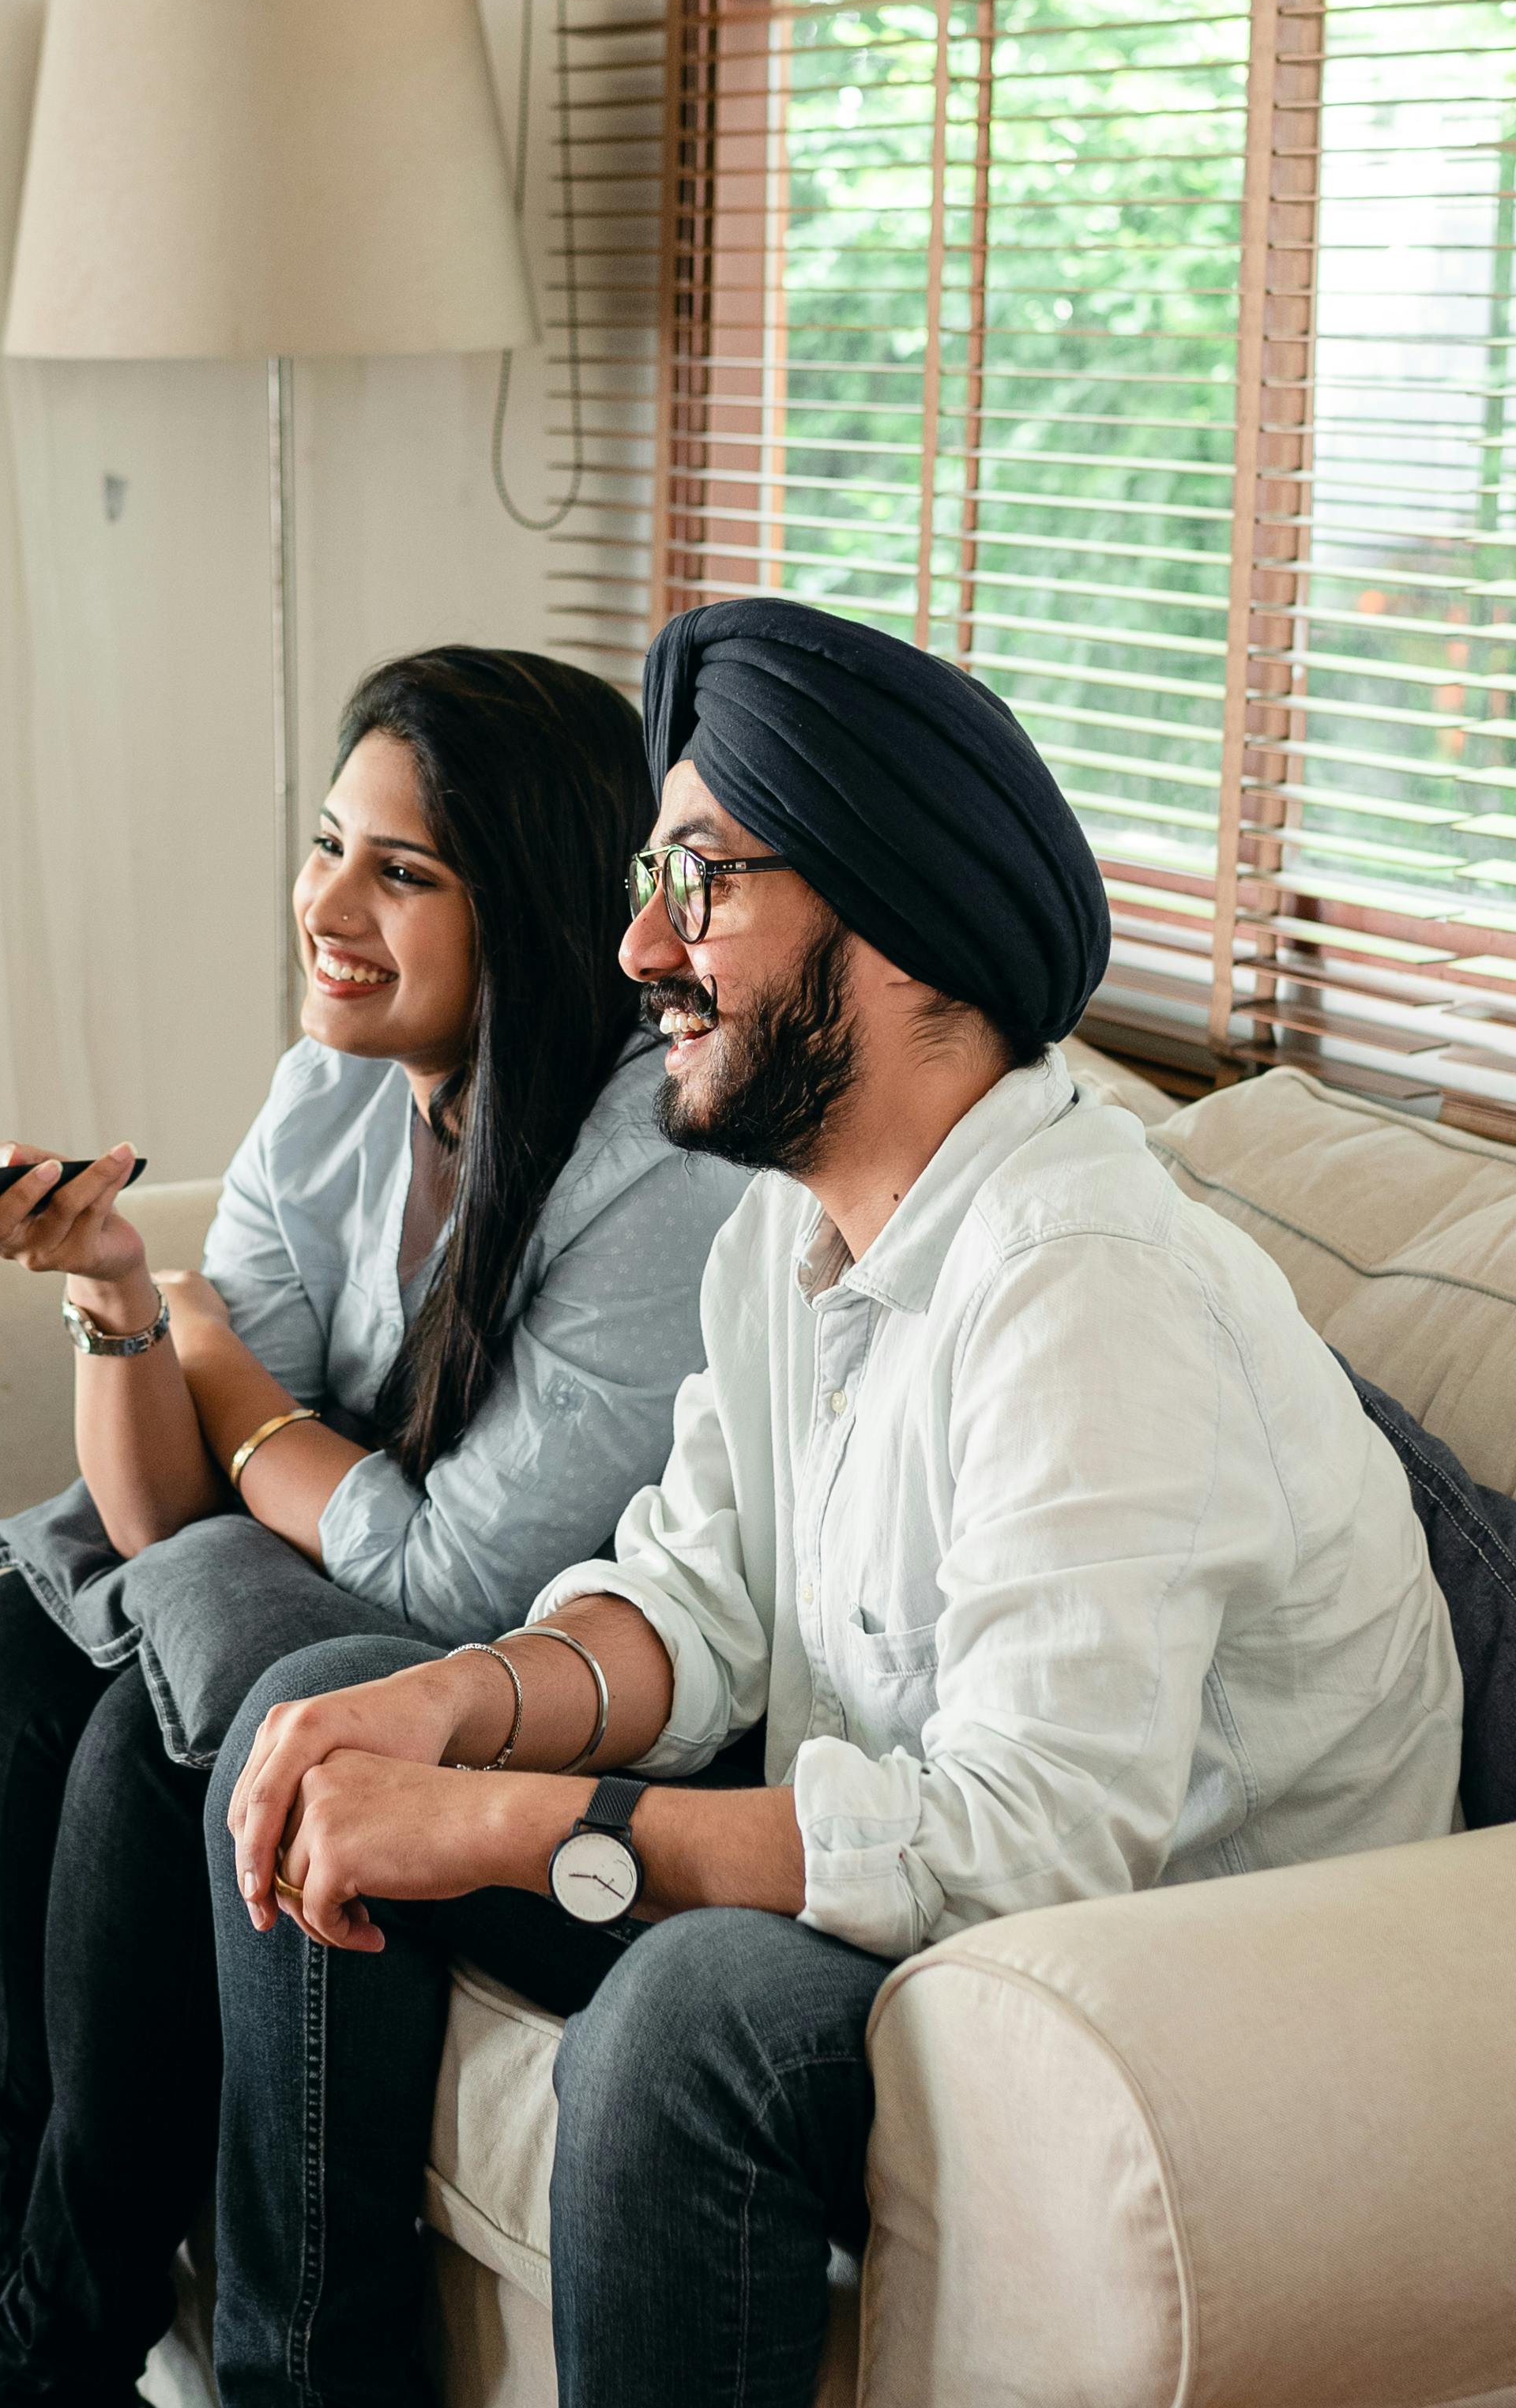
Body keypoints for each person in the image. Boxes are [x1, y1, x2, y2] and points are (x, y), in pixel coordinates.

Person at [207, 596, 1465, 2408]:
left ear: (893, 929)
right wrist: (450, 1703)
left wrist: (502, 1820)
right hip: (922, 1873)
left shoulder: (1083, 1281)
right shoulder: (795, 1236)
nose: (638, 941)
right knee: (307, 1734)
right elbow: (697, 1603)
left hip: (1163, 1993)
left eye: (700, 880)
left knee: (691, 2018)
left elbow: (1026, 1839)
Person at [0, 646, 747, 2407]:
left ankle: (69, 2338)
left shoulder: (656, 1175)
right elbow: (162, 1518)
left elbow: (464, 1579)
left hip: (552, 1679)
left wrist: (251, 1404)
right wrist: (129, 1301)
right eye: (326, 843)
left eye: (402, 871)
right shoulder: (341, 1081)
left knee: (181, 1746)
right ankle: (7, 2278)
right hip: (360, 1585)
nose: (329, 905)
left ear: (520, 905)